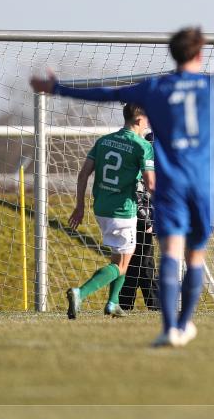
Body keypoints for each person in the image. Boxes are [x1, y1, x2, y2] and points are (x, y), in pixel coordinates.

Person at [31, 27, 214, 346]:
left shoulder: (154, 87)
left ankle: (168, 329)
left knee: (170, 254)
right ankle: (185, 324)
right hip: (206, 185)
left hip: (171, 186)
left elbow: (107, 93)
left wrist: (58, 88)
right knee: (195, 256)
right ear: (200, 54)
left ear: (172, 54)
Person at [65, 103, 155, 319]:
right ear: (139, 120)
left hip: (101, 207)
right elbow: (151, 185)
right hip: (123, 210)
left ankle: (113, 303)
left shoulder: (103, 141)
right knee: (123, 263)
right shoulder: (143, 146)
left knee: (119, 256)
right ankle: (81, 292)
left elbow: (83, 174)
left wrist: (79, 206)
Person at [119, 130, 159, 312]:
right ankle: (154, 306)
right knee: (143, 263)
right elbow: (138, 194)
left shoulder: (153, 165)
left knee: (137, 265)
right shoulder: (143, 165)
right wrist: (148, 220)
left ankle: (123, 305)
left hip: (138, 219)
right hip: (137, 220)